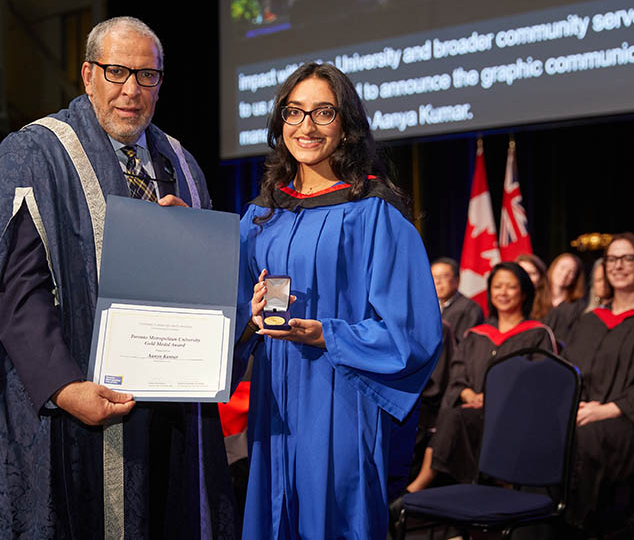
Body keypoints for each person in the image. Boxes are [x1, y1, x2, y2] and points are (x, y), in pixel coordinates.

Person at [0, 16, 237, 539]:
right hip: (75, 408)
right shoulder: (35, 151)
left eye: (147, 76)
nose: (131, 91)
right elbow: (15, 289)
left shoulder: (181, 162)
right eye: (117, 72)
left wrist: (193, 242)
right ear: (88, 74)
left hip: (172, 404)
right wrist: (65, 387)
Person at [236, 62, 442, 539]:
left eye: (322, 112)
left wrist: (327, 332)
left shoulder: (375, 214)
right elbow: (230, 311)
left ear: (346, 126)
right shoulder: (259, 218)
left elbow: (410, 332)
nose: (306, 126)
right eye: (294, 112)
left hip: (340, 400)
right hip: (274, 408)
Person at [405, 262, 557, 493]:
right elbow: (457, 375)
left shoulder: (538, 334)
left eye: (511, 287)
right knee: (452, 417)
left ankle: (420, 487)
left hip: (514, 417)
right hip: (472, 412)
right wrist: (468, 394)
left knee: (456, 419)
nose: (503, 293)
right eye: (497, 287)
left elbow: (541, 383)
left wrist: (495, 399)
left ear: (524, 292)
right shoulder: (477, 335)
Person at [562, 233, 634, 531]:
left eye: (628, 258)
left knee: (586, 437)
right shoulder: (590, 320)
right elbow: (569, 370)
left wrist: (608, 409)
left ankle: (579, 526)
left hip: (624, 419)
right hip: (582, 413)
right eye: (612, 259)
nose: (618, 265)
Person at [432, 257, 484, 342]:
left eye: (444, 276)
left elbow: (465, 346)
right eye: (433, 276)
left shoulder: (470, 309)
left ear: (457, 280)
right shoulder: (426, 307)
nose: (437, 281)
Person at [517, 252, 553, 319]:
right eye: (522, 273)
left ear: (540, 278)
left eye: (532, 274)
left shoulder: (550, 310)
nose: (527, 277)